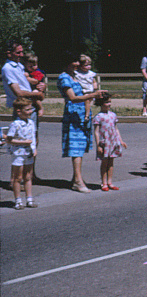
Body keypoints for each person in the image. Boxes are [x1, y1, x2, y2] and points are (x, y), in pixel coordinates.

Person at [57, 50, 107, 193]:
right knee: (75, 148)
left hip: (81, 114)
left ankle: (76, 178)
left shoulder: (74, 76)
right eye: (75, 61)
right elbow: (72, 97)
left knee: (80, 146)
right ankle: (78, 181)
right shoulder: (64, 78)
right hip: (73, 114)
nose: (78, 64)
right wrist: (92, 95)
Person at [6, 98, 37, 210]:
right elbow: (9, 140)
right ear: (19, 111)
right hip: (18, 153)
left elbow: (33, 137)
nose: (31, 111)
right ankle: (18, 200)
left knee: (28, 176)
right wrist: (24, 142)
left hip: (28, 152)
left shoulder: (31, 123)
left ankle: (29, 199)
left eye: (31, 109)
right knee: (17, 177)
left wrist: (34, 148)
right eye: (28, 109)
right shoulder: (15, 124)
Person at [93, 94, 126, 191]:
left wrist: (120, 140)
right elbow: (96, 132)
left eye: (110, 102)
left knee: (111, 162)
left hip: (113, 141)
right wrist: (98, 145)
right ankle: (104, 183)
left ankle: (110, 182)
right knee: (104, 162)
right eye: (107, 102)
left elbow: (116, 129)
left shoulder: (113, 115)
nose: (109, 104)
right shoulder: (98, 117)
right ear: (101, 103)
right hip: (104, 142)